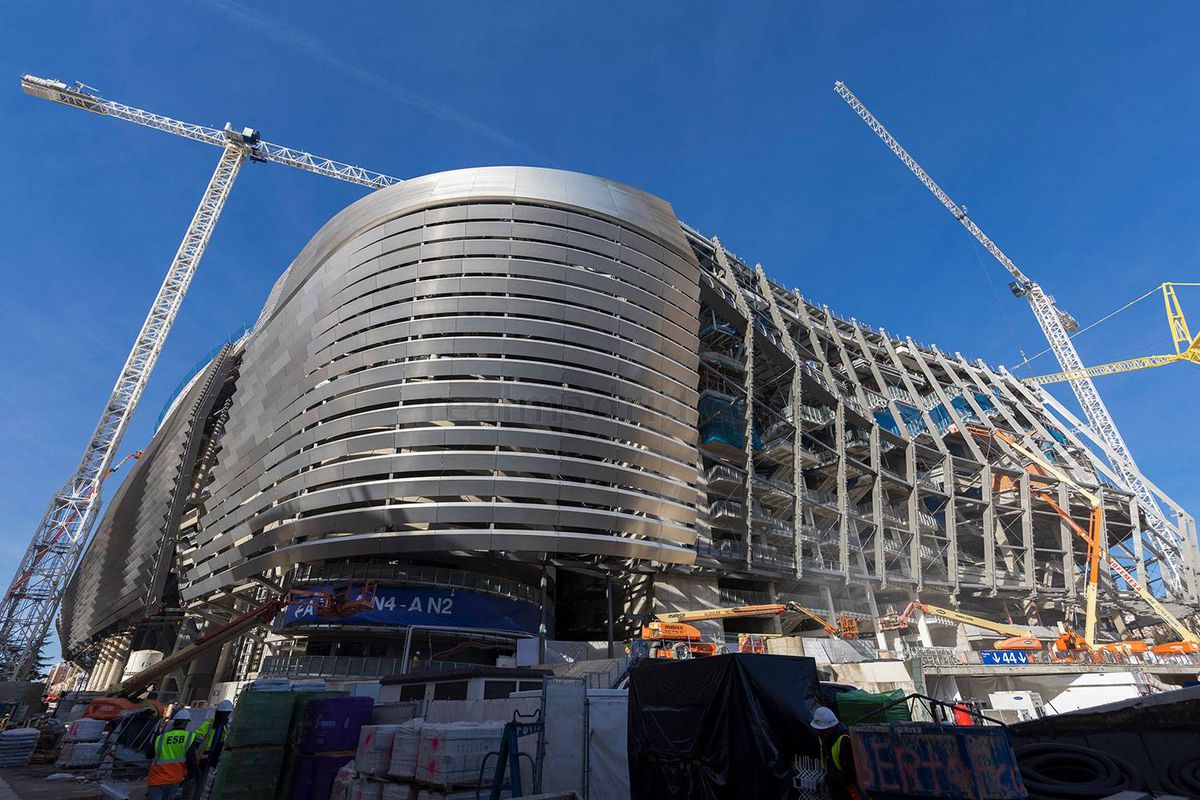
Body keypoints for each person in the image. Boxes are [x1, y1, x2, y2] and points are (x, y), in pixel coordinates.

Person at [182, 700, 233, 800]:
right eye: (225, 714)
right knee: (192, 785)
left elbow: (221, 743)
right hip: (199, 760)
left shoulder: (223, 726)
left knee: (202, 786)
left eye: (228, 714)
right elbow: (196, 741)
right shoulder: (209, 724)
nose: (227, 716)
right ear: (220, 713)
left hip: (209, 761)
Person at [146, 708, 196, 800]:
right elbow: (191, 760)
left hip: (156, 779)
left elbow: (149, 755)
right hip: (174, 780)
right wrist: (191, 777)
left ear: (174, 722)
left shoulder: (161, 738)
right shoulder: (189, 737)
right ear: (186, 723)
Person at [810, 706, 859, 800]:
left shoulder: (845, 741)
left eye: (822, 731)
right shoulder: (824, 738)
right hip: (836, 787)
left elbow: (851, 775)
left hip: (848, 791)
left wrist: (827, 778)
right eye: (818, 730)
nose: (819, 734)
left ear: (831, 728)